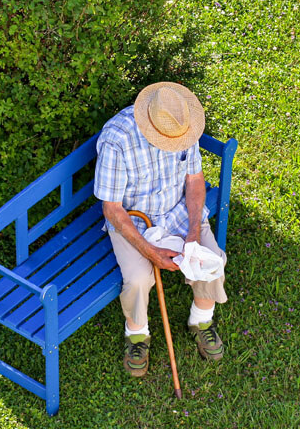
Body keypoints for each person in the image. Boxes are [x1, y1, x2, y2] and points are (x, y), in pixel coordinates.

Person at [93, 81, 228, 377]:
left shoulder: (183, 124)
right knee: (138, 279)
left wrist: (193, 233)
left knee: (212, 259)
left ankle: (201, 319)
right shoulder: (117, 139)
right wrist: (150, 251)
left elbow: (194, 180)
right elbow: (112, 209)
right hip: (133, 220)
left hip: (177, 210)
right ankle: (137, 335)